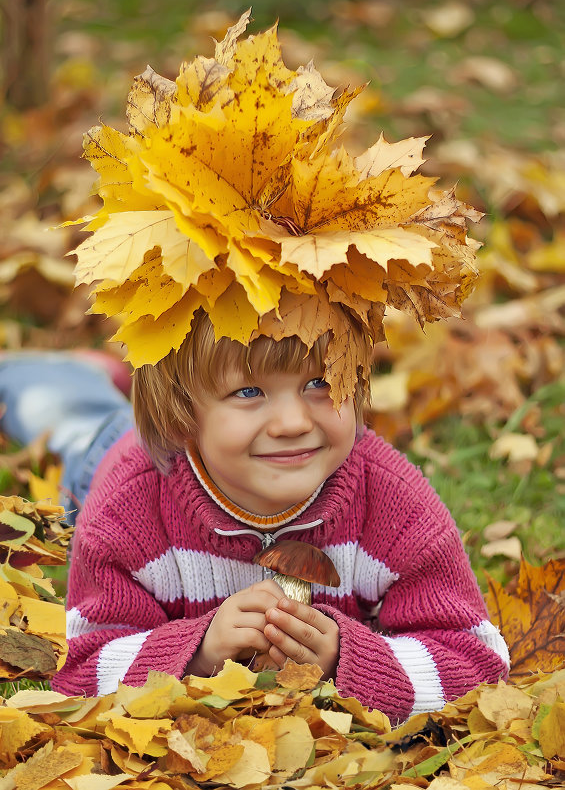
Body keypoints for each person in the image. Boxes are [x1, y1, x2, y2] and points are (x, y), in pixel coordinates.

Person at [0, 310, 509, 723]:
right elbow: (81, 669)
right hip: (124, 458)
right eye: (249, 392)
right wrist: (197, 650)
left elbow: (478, 665)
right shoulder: (126, 511)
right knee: (70, 421)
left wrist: (344, 659)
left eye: (319, 382)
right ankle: (65, 374)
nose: (292, 422)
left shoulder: (395, 505)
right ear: (180, 409)